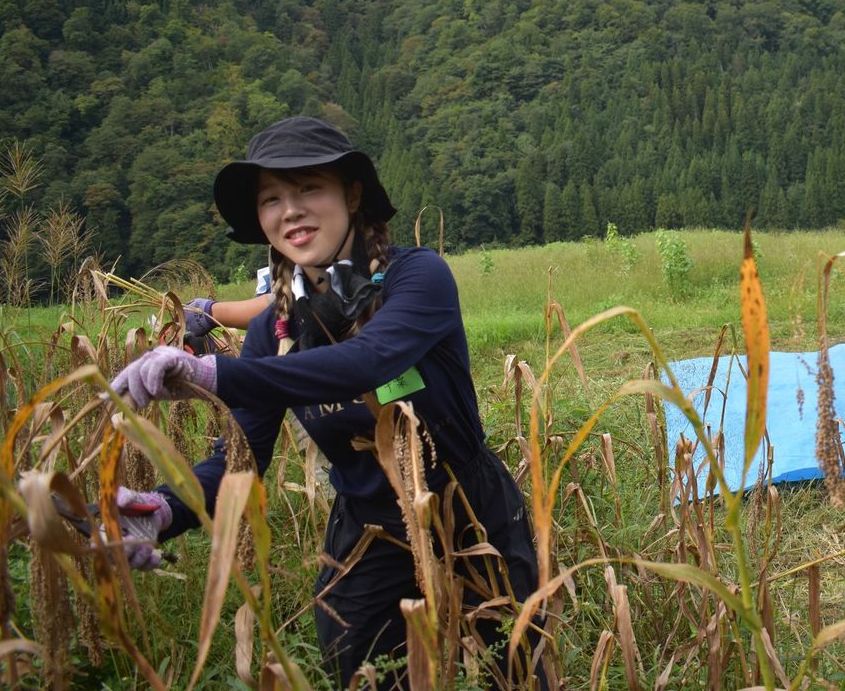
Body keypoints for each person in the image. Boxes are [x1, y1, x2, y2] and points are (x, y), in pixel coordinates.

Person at [108, 116, 546, 689]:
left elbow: (367, 361)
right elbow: (240, 460)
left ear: (353, 194)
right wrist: (164, 510)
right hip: (369, 535)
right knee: (365, 678)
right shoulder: (277, 330)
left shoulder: (419, 279)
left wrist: (219, 372)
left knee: (514, 673)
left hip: (471, 515)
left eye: (309, 187)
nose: (290, 210)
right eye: (271, 198)